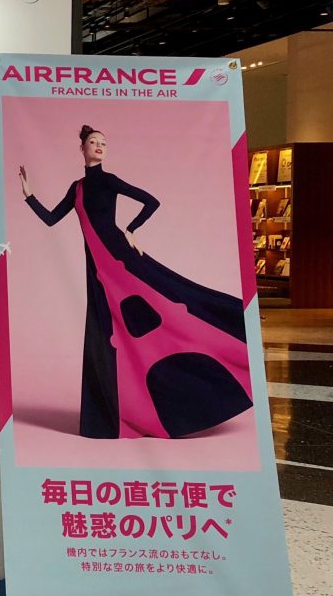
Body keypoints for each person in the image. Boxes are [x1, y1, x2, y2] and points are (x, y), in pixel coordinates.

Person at [19, 124, 252, 439]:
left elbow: (151, 201)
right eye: (93, 142)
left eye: (103, 142)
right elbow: (51, 219)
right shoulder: (77, 189)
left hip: (122, 259)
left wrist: (130, 230)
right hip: (99, 271)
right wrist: (29, 195)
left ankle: (223, 360)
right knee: (107, 335)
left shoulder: (110, 181)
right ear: (82, 148)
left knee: (173, 303)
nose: (99, 146)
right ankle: (113, 417)